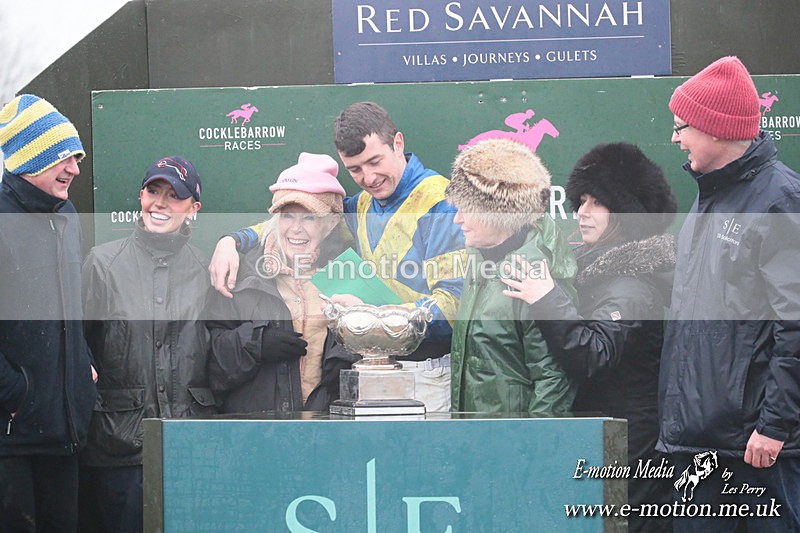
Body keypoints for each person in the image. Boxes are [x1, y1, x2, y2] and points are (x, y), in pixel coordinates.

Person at [208, 102, 465, 412]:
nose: (368, 178)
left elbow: (454, 307)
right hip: (370, 371)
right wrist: (233, 241)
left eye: (375, 161)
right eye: (355, 169)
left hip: (425, 372)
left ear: (398, 143)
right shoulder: (362, 205)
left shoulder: (441, 202)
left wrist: (374, 319)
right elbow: (298, 221)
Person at [502, 142, 677, 531]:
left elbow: (593, 354)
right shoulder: (590, 267)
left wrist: (546, 298)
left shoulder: (634, 284)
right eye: (581, 200)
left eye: (596, 202)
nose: (581, 213)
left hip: (629, 446)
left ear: (626, 212)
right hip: (601, 436)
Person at [658, 56, 800, 531]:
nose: (675, 138)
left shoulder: (780, 200)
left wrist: (775, 426)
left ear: (716, 129)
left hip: (758, 451)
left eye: (682, 127)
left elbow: (795, 326)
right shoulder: (708, 194)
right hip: (699, 444)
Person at [79, 156, 216, 532]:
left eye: (174, 196)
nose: (160, 203)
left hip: (190, 447)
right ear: (140, 196)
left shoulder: (206, 270)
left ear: (193, 208)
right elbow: (78, 346)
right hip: (119, 448)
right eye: (154, 191)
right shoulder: (102, 264)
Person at [0, 94, 97, 531]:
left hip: (65, 431)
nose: (75, 168)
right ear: (28, 158)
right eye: (63, 157)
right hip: (11, 437)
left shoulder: (68, 215)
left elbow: (67, 312)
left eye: (76, 157)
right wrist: (14, 392)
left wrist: (82, 363)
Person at [206, 153, 359, 413]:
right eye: (287, 216)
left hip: (329, 434)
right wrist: (255, 344)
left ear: (332, 222)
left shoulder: (352, 277)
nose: (295, 229)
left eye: (309, 217)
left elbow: (377, 364)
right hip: (257, 436)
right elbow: (209, 363)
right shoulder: (241, 275)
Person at [445, 138, 576, 415]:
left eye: (466, 208)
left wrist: (530, 449)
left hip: (514, 442)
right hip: (475, 436)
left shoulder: (534, 273)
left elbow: (553, 378)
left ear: (497, 213)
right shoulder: (479, 259)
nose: (457, 219)